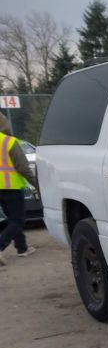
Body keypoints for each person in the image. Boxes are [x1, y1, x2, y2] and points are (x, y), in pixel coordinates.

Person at [0, 113, 37, 266]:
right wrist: (36, 183)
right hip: (11, 187)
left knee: (12, 219)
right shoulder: (8, 142)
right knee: (18, 220)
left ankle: (22, 248)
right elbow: (22, 167)